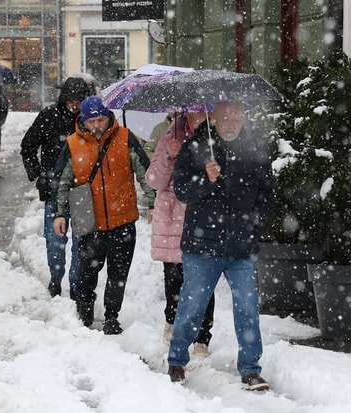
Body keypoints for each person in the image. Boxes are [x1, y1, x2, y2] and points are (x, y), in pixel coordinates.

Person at [166, 101, 274, 389]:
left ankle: (250, 369)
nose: (229, 122)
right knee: (192, 306)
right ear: (213, 117)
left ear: (243, 119)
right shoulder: (195, 148)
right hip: (202, 247)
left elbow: (267, 195)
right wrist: (205, 179)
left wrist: (253, 226)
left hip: (241, 249)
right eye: (224, 116)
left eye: (236, 117)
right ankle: (177, 361)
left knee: (248, 308)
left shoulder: (256, 151)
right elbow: (182, 190)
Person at [53, 96, 155, 335]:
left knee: (118, 274)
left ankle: (111, 316)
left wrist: (153, 201)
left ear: (108, 117)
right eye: (91, 121)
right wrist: (59, 213)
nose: (96, 126)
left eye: (100, 120)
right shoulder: (72, 144)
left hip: (123, 221)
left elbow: (145, 172)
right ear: (84, 121)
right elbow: (61, 182)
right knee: (86, 272)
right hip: (90, 223)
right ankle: (85, 304)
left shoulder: (125, 138)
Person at [146, 111, 216, 354]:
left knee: (204, 280)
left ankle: (202, 337)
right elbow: (153, 180)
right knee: (175, 278)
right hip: (173, 221)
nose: (197, 116)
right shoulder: (170, 138)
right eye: (193, 112)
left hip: (202, 219)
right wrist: (169, 157)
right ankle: (173, 322)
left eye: (201, 111)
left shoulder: (214, 140)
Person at [20, 77, 92, 298]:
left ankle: (76, 286)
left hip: (83, 192)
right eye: (71, 101)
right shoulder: (49, 116)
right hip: (53, 190)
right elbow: (28, 145)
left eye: (79, 101)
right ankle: (56, 278)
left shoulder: (90, 120)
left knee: (81, 244)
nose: (74, 106)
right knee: (55, 242)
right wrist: (36, 175)